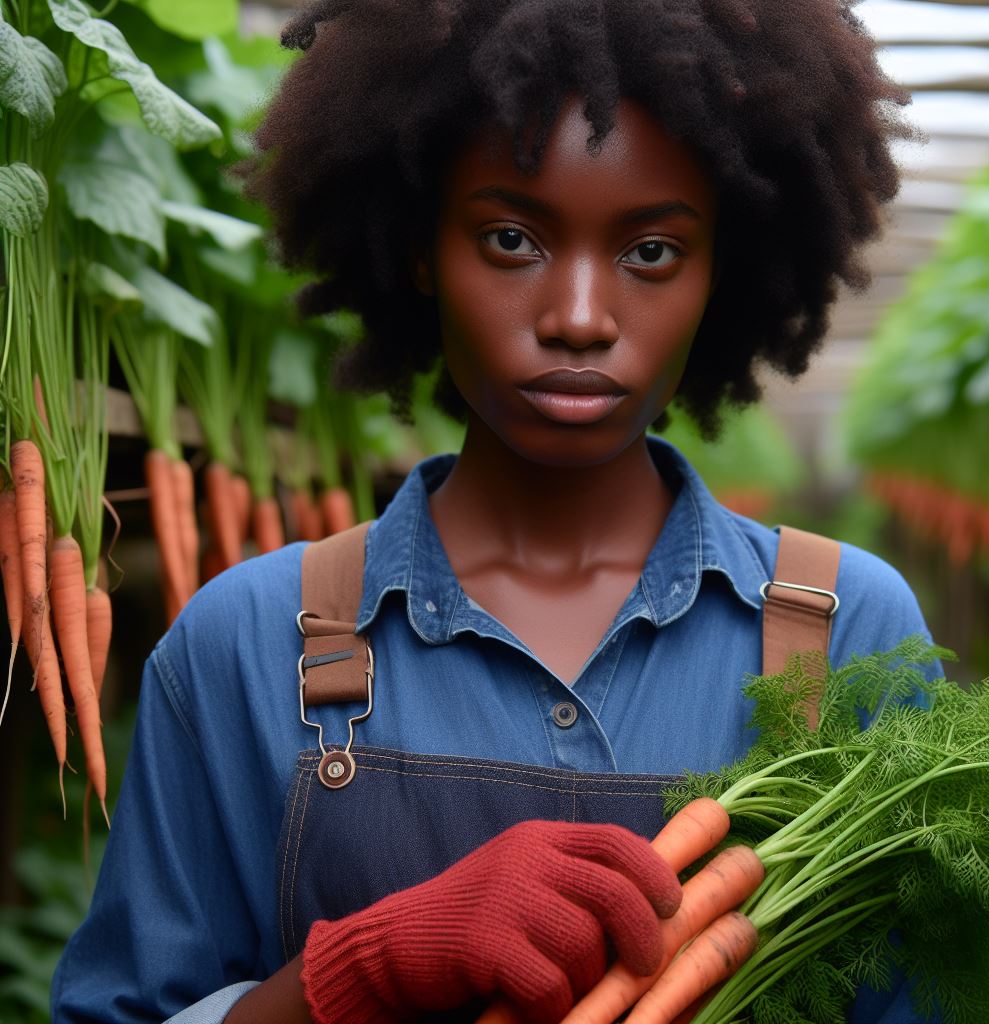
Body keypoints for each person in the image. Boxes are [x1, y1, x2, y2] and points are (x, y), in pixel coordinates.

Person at [52, 1, 938, 1022]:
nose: (576, 315)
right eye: (511, 237)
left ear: (719, 272)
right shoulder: (241, 645)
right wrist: (361, 968)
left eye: (650, 251)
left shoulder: (848, 634)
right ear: (420, 247)